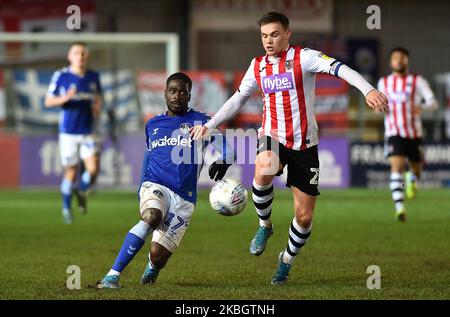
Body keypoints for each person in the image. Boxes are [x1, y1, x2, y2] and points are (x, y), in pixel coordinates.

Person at [190, 12, 389, 285]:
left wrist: (368, 90)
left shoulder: (304, 57)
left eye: (274, 34)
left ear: (287, 34)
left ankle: (286, 260)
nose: (268, 41)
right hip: (272, 134)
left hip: (305, 144)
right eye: (263, 36)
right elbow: (238, 99)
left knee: (304, 218)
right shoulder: (257, 65)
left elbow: (341, 68)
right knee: (263, 169)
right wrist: (211, 125)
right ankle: (265, 227)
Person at [97, 72, 235, 289]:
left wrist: (225, 159)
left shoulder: (202, 122)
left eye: (182, 92)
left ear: (189, 96)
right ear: (165, 94)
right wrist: (141, 187)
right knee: (152, 217)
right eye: (173, 91)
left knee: (158, 256)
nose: (177, 95)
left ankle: (152, 267)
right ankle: (112, 276)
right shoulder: (153, 124)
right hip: (155, 184)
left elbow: (228, 149)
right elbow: (148, 156)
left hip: (185, 197)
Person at [44, 42, 103, 224]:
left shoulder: (93, 76)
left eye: (84, 53)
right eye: (77, 53)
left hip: (87, 130)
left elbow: (99, 97)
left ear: (88, 56)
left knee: (93, 169)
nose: (81, 56)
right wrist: (65, 98)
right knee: (71, 172)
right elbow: (48, 101)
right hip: (68, 132)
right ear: (70, 56)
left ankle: (82, 191)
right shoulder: (61, 76)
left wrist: (97, 108)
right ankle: (67, 209)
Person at [377, 47, 437, 222]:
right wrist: (378, 108)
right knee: (397, 166)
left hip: (414, 133)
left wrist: (422, 108)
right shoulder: (384, 82)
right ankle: (399, 208)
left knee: (416, 170)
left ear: (407, 61)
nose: (399, 60)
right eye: (395, 58)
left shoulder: (418, 81)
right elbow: (380, 104)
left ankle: (412, 180)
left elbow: (433, 103)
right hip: (394, 131)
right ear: (391, 62)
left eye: (402, 58)